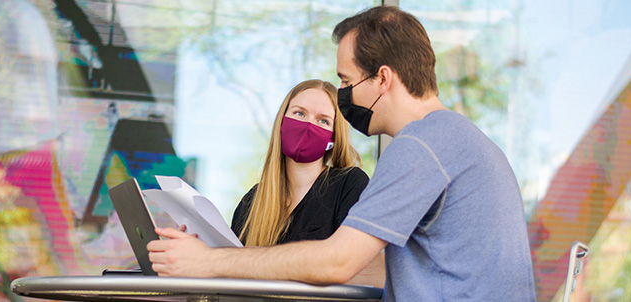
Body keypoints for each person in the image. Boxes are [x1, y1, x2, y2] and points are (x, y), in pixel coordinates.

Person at [148, 6, 535, 301]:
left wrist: (208, 263)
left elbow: (339, 260)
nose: (345, 95)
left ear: (382, 78)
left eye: (347, 81)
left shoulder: (420, 145)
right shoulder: (467, 140)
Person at [230, 79, 368, 247]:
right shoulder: (251, 203)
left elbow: (350, 260)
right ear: (281, 121)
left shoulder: (349, 185)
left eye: (323, 121)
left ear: (333, 138)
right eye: (300, 113)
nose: (309, 125)